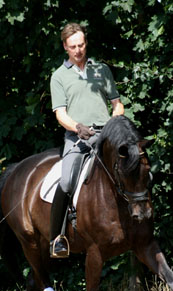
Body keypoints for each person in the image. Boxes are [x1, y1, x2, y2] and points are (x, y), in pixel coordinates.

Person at [49, 22, 124, 258]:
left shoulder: (102, 70)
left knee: (134, 165)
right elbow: (60, 114)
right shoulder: (59, 77)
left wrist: (115, 121)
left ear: (86, 43)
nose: (78, 50)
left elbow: (117, 104)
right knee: (66, 182)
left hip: (106, 134)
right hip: (78, 137)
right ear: (65, 47)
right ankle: (57, 238)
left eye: (81, 45)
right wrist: (78, 127)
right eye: (73, 46)